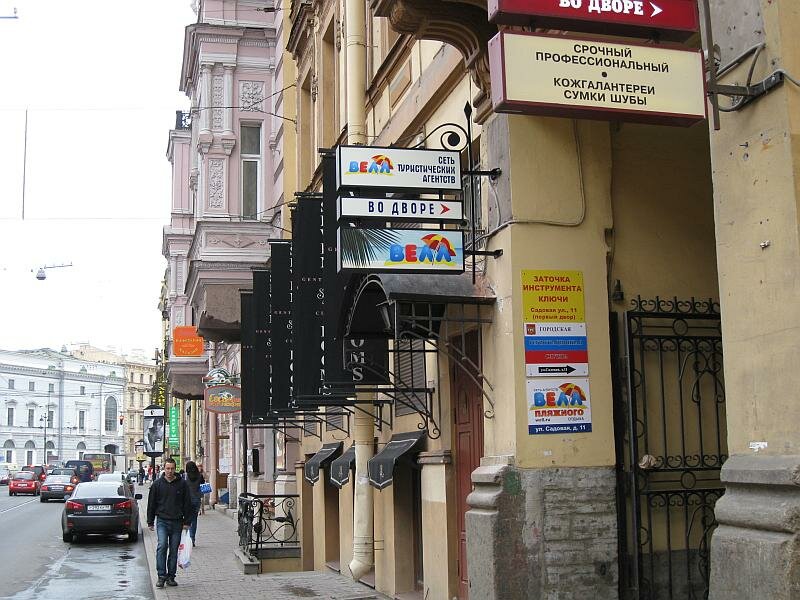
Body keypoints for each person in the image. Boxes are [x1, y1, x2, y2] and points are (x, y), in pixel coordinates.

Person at [147, 458, 192, 588]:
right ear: (164, 469)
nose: (170, 471)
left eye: (172, 468)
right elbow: (151, 503)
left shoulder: (182, 484)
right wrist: (150, 521)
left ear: (175, 469)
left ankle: (171, 577)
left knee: (173, 549)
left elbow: (187, 503)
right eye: (167, 468)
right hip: (162, 520)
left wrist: (187, 521)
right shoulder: (157, 484)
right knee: (162, 546)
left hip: (177, 521)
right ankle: (161, 576)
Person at [184, 461, 204, 547]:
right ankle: (192, 539)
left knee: (187, 519)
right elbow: (203, 486)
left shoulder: (185, 476)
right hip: (196, 500)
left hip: (187, 500)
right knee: (194, 520)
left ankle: (188, 538)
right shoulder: (200, 476)